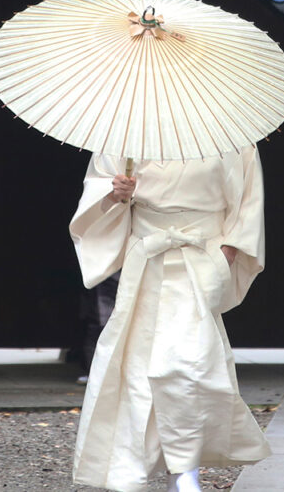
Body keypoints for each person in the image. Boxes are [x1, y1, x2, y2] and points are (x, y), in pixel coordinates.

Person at [69, 147, 272, 492]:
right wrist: (116, 193)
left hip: (203, 255)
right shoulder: (128, 133)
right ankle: (131, 466)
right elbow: (99, 195)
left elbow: (248, 204)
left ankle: (184, 468)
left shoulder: (233, 138)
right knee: (135, 365)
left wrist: (229, 251)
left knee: (187, 364)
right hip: (147, 255)